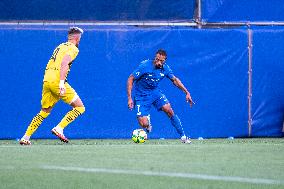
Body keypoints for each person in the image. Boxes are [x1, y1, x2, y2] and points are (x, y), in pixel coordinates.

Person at [19, 27, 85, 145]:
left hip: (47, 80)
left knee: (44, 111)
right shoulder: (73, 48)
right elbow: (64, 62)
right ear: (77, 38)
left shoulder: (60, 46)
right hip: (57, 80)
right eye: (80, 38)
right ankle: (59, 128)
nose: (80, 40)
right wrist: (61, 83)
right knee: (80, 107)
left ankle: (25, 137)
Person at [127, 49, 194, 143]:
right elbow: (131, 78)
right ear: (155, 57)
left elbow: (174, 80)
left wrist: (187, 92)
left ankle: (183, 136)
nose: (158, 62)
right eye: (157, 59)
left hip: (155, 93)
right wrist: (130, 98)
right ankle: (147, 123)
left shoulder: (165, 68)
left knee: (169, 110)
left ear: (165, 61)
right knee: (144, 124)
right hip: (141, 95)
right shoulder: (145, 66)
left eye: (161, 61)